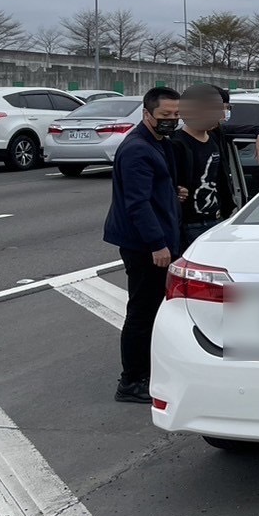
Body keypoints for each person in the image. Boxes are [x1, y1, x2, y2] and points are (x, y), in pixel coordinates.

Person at [103, 87, 182, 404]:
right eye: (165, 116)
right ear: (146, 114)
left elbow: (156, 190)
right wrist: (157, 244)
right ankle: (131, 381)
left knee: (153, 310)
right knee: (142, 312)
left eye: (175, 115)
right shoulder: (137, 148)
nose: (171, 121)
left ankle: (147, 372)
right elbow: (137, 204)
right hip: (144, 246)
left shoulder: (159, 143)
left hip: (156, 239)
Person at [171, 83, 259, 251]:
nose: (222, 115)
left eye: (224, 110)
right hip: (190, 225)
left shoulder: (217, 135)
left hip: (217, 219)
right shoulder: (176, 143)